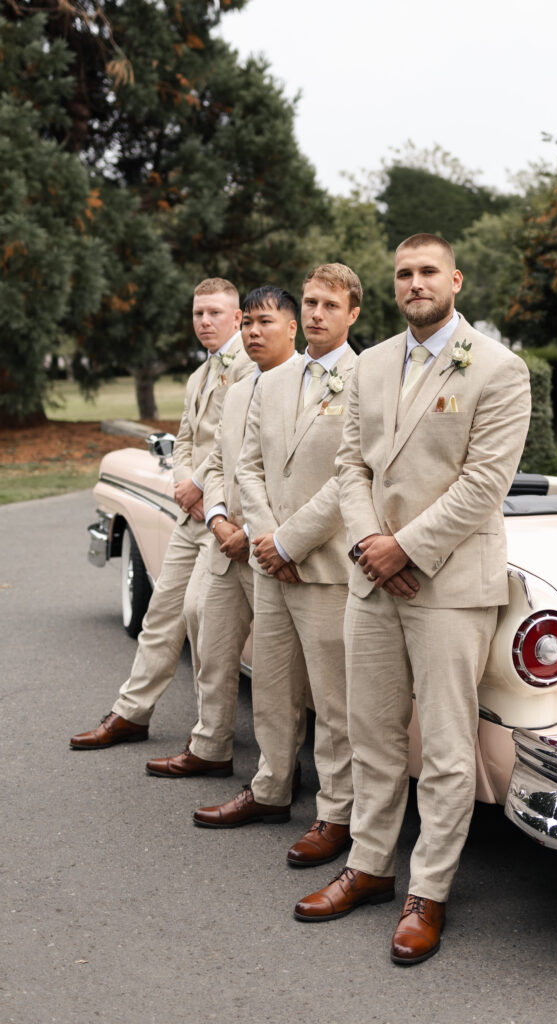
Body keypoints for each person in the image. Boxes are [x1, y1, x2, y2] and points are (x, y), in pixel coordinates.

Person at [294, 234, 531, 965]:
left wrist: (410, 549)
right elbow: (350, 465)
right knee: (371, 734)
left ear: (454, 279)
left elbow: (483, 484)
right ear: (392, 287)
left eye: (428, 271)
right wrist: (372, 546)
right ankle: (368, 867)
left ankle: (428, 892)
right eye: (403, 274)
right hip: (373, 576)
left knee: (450, 750)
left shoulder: (498, 367)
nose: (415, 283)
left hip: (450, 584)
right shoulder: (367, 365)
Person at [193, 264, 361, 872]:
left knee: (333, 701)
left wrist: (289, 543)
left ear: (352, 315)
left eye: (328, 305)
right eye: (311, 301)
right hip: (272, 562)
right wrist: (268, 541)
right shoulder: (273, 381)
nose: (317, 313)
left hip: (325, 565)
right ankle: (269, 788)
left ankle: (337, 813)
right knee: (271, 687)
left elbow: (352, 478)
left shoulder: (364, 377)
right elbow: (248, 466)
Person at [70, 278, 251, 754]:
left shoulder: (254, 366)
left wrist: (199, 484)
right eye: (198, 314)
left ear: (237, 317)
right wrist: (184, 480)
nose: (205, 321)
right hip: (192, 513)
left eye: (215, 313)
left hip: (227, 516)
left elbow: (240, 443)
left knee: (202, 620)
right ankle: (131, 713)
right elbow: (187, 439)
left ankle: (211, 737)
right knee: (161, 614)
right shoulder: (198, 376)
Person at [144, 286, 299, 778]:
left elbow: (295, 475)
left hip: (269, 542)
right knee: (208, 639)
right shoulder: (228, 385)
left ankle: (281, 770)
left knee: (278, 669)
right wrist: (214, 516)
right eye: (248, 324)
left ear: (290, 328)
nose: (253, 332)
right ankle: (211, 747)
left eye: (262, 322)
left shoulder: (297, 382)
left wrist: (247, 529)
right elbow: (215, 456)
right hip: (219, 530)